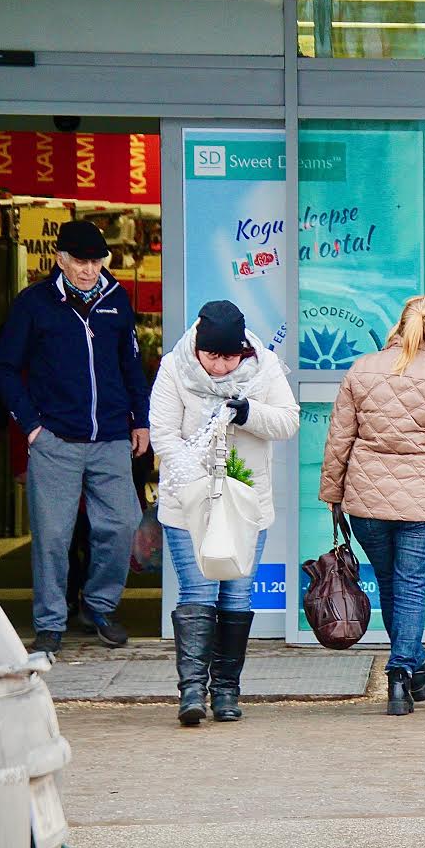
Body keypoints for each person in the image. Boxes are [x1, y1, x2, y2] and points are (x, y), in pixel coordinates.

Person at [0, 220, 150, 656]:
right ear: (60, 259)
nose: (88, 270)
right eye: (79, 261)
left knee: (121, 524)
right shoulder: (34, 304)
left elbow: (131, 366)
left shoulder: (116, 300)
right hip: (55, 440)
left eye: (96, 260)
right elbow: (6, 368)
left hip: (111, 439)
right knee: (53, 535)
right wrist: (30, 426)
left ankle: (99, 607)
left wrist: (140, 420)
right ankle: (49, 623)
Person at [320, 295, 425, 716]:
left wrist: (333, 494)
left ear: (398, 324)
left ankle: (411, 665)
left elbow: (340, 440)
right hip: (421, 503)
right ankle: (402, 672)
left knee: (392, 585)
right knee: (410, 587)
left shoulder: (363, 369)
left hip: (366, 502)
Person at [151, 301, 299, 725]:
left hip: (246, 505)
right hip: (188, 504)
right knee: (198, 592)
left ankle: (227, 691)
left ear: (243, 351)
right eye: (211, 356)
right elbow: (162, 433)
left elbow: (289, 421)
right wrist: (195, 480)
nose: (219, 366)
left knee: (236, 595)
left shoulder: (265, 368)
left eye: (229, 357)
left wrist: (249, 412)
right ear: (197, 345)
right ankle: (192, 692)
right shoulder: (174, 369)